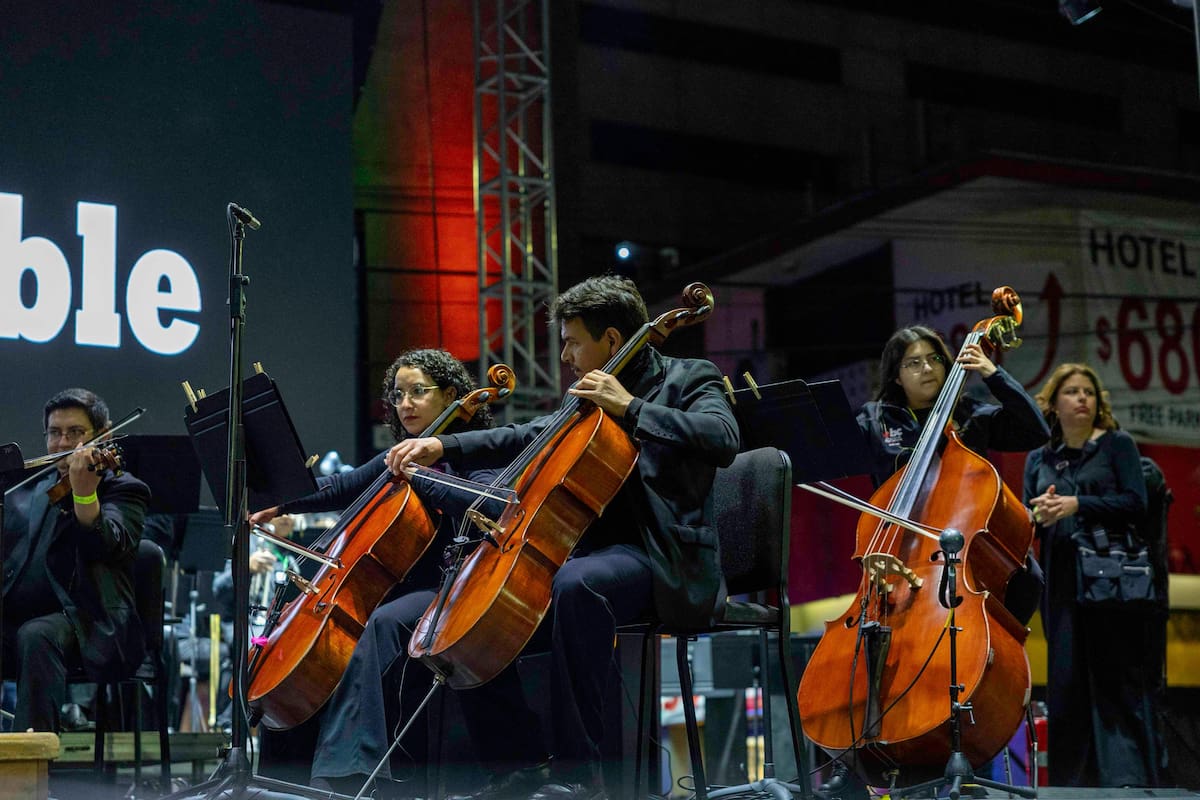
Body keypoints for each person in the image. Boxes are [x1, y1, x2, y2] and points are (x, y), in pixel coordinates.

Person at [387, 275, 741, 800]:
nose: (565, 356)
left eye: (573, 342)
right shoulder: (587, 397)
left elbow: (724, 438)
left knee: (577, 584)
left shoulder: (690, 377)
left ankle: (581, 776)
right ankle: (518, 767)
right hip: (596, 555)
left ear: (612, 339)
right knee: (481, 613)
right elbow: (526, 434)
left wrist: (631, 408)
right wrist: (445, 445)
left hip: (664, 557)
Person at [247, 348, 498, 798]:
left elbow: (487, 504)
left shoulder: (472, 451)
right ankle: (286, 777)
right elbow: (340, 486)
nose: (405, 404)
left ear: (451, 396)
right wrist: (281, 501)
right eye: (398, 395)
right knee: (319, 643)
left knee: (383, 623)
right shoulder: (398, 457)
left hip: (453, 584)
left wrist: (423, 472)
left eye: (418, 392)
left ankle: (351, 777)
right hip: (395, 586)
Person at [1024, 363, 1161, 787]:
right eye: (1072, 391)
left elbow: (1136, 502)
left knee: (1114, 679)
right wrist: (1040, 512)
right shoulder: (1039, 457)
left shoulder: (1117, 445)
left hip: (1112, 578)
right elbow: (1030, 516)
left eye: (1089, 391)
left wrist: (1078, 504)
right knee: (1065, 681)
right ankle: (1070, 784)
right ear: (1054, 403)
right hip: (1061, 577)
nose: (1083, 398)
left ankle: (1126, 779)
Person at [1, 388, 150, 732]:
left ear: (104, 435)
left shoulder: (124, 489)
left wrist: (84, 494)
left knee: (37, 635)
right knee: (30, 631)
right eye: (55, 433)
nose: (62, 442)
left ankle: (33, 760)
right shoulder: (34, 488)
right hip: (23, 619)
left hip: (89, 623)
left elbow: (108, 545)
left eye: (75, 432)